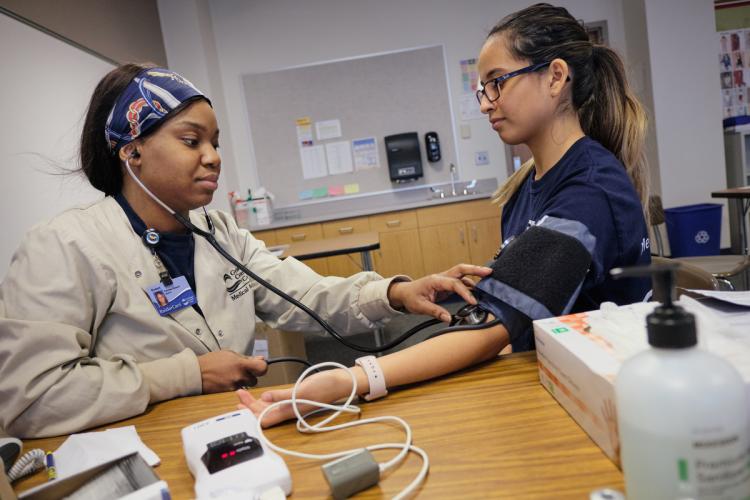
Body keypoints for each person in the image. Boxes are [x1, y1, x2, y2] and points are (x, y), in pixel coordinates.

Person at [0, 64, 491, 438]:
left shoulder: (217, 231)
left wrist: (395, 292)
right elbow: (30, 398)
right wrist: (184, 374)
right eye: (191, 140)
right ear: (131, 150)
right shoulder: (65, 246)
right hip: (145, 453)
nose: (213, 157)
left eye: (214, 142)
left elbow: (306, 295)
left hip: (238, 433)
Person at [238, 3, 651, 427]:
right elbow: (513, 322)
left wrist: (350, 380)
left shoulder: (589, 190)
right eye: (482, 89)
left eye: (497, 83)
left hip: (611, 403)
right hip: (555, 379)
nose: (487, 104)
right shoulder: (525, 189)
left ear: (556, 77)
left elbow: (494, 328)